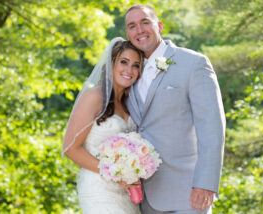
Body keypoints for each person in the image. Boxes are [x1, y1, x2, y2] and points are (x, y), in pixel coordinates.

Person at [125, 4, 226, 214]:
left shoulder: (193, 64)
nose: (139, 30)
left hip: (188, 192)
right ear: (127, 33)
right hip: (141, 195)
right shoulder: (128, 72)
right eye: (132, 26)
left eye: (145, 22)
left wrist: (206, 183)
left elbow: (212, 128)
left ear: (159, 26)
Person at [62, 38, 144, 214]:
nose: (129, 70)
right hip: (98, 189)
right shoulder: (93, 97)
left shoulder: (130, 103)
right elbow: (71, 149)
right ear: (111, 63)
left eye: (136, 65)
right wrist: (116, 175)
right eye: (124, 62)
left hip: (126, 192)